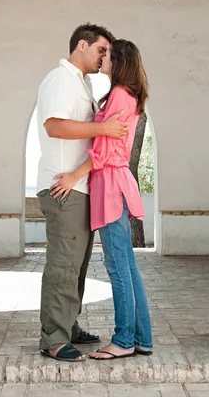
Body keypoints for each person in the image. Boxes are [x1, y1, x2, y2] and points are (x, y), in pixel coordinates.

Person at [50, 39, 153, 360]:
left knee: (118, 268)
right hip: (112, 186)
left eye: (107, 56)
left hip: (110, 188)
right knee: (127, 266)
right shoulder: (123, 96)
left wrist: (72, 176)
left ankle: (123, 341)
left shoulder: (120, 96)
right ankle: (141, 338)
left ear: (119, 62)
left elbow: (104, 152)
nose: (102, 59)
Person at [36, 23, 130, 363]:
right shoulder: (60, 79)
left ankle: (69, 326)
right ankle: (54, 339)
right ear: (81, 45)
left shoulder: (84, 83)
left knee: (76, 264)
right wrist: (103, 127)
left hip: (80, 187)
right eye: (101, 50)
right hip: (64, 187)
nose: (105, 56)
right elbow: (55, 125)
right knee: (63, 264)